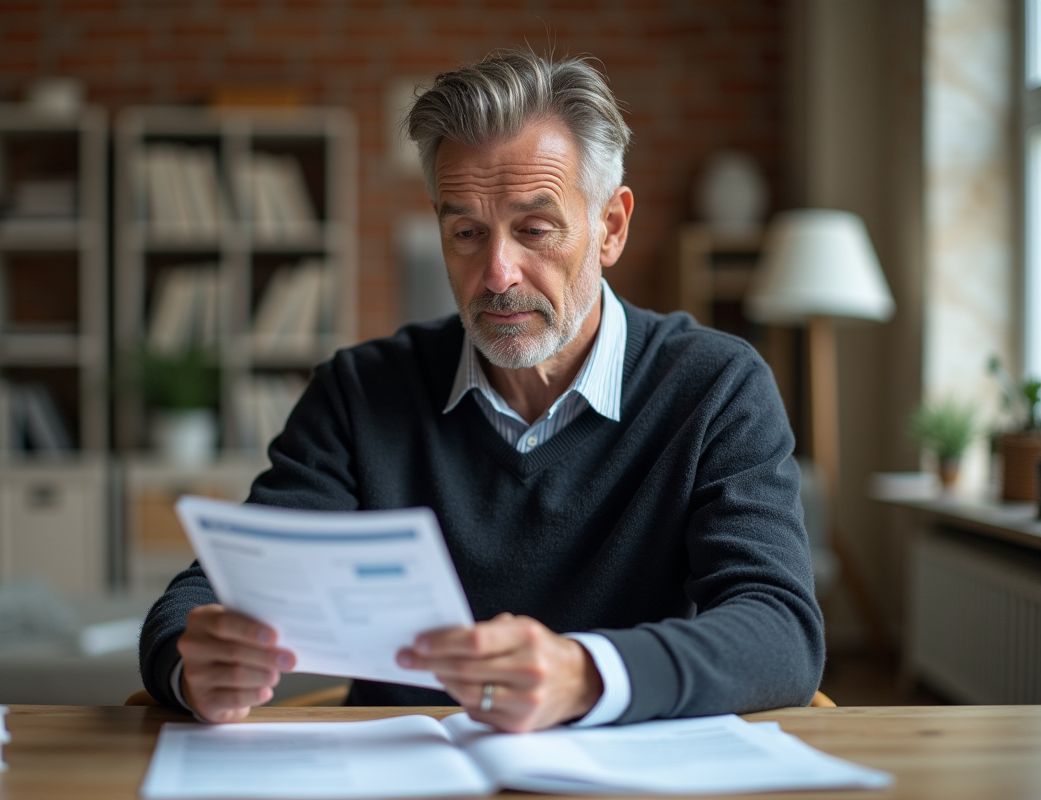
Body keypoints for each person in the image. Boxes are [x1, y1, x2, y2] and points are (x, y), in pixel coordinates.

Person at [140, 49, 824, 733]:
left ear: (610, 227)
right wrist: (190, 659)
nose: (497, 274)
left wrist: (584, 675)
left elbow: (780, 631)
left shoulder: (716, 388)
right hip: (400, 776)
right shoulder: (361, 392)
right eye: (466, 232)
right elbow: (204, 597)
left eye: (534, 230)